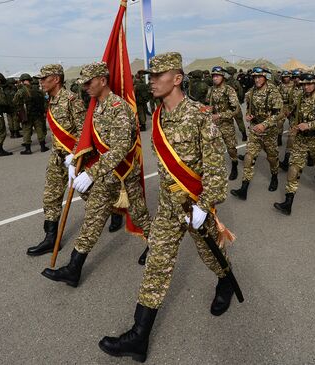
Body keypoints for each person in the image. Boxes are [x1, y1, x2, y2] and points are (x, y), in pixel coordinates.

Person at [99, 52, 238, 363]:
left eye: (158, 76)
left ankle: (225, 281)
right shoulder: (159, 116)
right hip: (167, 208)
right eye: (150, 76)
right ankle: (138, 337)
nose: (152, 82)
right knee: (156, 266)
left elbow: (216, 168)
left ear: (177, 79)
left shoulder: (200, 115)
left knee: (210, 254)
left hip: (195, 206)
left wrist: (205, 205)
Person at [41, 61, 151, 285]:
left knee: (138, 215)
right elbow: (88, 137)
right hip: (106, 174)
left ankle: (157, 246)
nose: (85, 87)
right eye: (83, 83)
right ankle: (74, 268)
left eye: (89, 83)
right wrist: (76, 158)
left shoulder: (118, 108)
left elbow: (120, 148)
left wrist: (91, 173)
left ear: (102, 80)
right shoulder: (96, 106)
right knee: (94, 217)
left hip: (122, 173)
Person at [26, 64, 86, 256]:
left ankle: (117, 212)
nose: (40, 82)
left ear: (56, 79)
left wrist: (74, 155)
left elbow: (85, 132)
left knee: (91, 195)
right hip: (57, 158)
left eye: (44, 78)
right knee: (51, 197)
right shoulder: (51, 100)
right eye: (40, 79)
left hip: (75, 157)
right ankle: (51, 239)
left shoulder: (72, 100)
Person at [274, 72, 315, 215]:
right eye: (304, 85)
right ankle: (288, 203)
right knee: (293, 168)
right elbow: (291, 112)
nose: (306, 87)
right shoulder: (299, 98)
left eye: (309, 84)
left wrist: (310, 125)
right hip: (301, 140)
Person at [231, 67, 283, 200]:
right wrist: (249, 116)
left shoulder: (273, 92)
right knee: (249, 157)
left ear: (265, 77)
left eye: (259, 77)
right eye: (255, 77)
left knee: (272, 158)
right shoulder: (251, 93)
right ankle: (244, 188)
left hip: (269, 131)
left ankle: (275, 176)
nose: (257, 79)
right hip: (255, 130)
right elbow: (249, 109)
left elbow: (278, 114)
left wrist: (264, 124)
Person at [205, 66, 240, 180]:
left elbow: (236, 109)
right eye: (214, 76)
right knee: (213, 148)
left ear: (223, 77)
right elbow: (207, 104)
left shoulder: (229, 90)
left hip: (226, 124)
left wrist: (220, 115)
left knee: (231, 148)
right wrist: (206, 110)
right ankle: (216, 169)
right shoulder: (211, 89)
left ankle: (235, 165)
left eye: (217, 76)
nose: (215, 78)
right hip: (213, 125)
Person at [13, 73, 48, 154]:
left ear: (22, 81)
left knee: (27, 131)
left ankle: (28, 149)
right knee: (39, 130)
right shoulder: (37, 90)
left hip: (27, 115)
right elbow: (44, 100)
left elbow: (15, 101)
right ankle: (43, 147)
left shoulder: (21, 91)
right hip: (38, 114)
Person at [225, 66, 247, 141]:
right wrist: (240, 100)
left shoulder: (224, 82)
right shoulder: (235, 82)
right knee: (239, 120)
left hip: (226, 105)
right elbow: (241, 92)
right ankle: (244, 135)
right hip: (235, 104)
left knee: (227, 122)